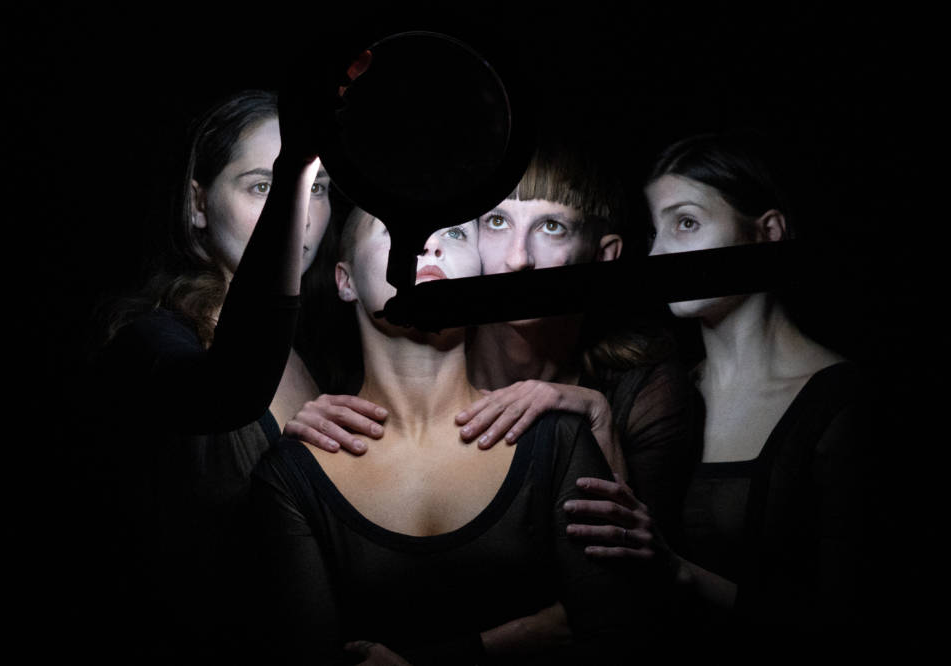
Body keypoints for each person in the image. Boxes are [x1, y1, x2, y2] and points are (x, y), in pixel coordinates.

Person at [250, 209, 630, 664]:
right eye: (396, 230)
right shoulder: (290, 475)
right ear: (345, 281)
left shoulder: (558, 439)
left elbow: (614, 634)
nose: (429, 245)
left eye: (454, 233)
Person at [286, 135, 698, 553]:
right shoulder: (420, 345)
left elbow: (633, 563)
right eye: (497, 222)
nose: (518, 258)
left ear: (604, 256)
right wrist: (312, 410)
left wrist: (597, 417)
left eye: (551, 227)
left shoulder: (645, 391)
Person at [569, 132, 873, 643]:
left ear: (768, 232)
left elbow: (852, 623)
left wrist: (677, 571)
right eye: (654, 232)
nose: (659, 252)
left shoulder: (842, 403)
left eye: (686, 223)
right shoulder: (659, 394)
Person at [87, 89, 332, 657]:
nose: (299, 212)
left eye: (317, 188)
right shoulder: (149, 339)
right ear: (198, 203)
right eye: (265, 186)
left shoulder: (325, 354)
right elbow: (226, 393)